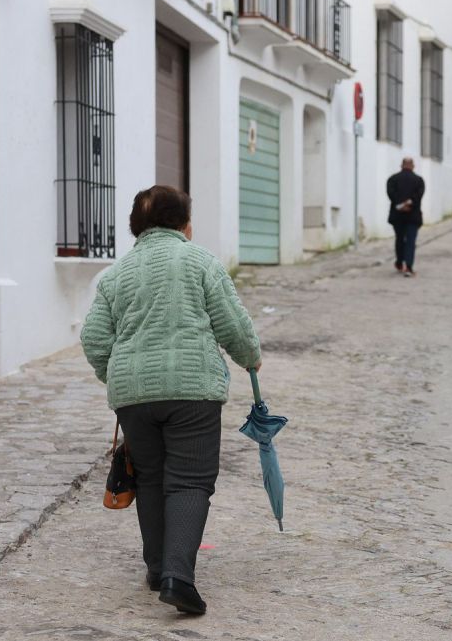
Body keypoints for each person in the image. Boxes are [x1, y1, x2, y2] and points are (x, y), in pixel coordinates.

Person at [80, 185, 262, 615]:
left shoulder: (115, 275)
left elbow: (92, 338)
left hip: (133, 397)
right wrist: (250, 357)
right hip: (191, 391)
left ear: (134, 228)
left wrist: (119, 372)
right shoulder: (200, 262)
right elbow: (232, 324)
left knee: (151, 479)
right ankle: (178, 577)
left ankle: (158, 566)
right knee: (190, 480)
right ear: (185, 224)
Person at [386, 157, 425, 277]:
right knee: (410, 241)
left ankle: (399, 262)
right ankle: (408, 267)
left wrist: (400, 205)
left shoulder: (393, 179)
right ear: (413, 166)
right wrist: (409, 203)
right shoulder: (419, 180)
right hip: (413, 216)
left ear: (401, 165)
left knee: (399, 239)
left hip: (397, 216)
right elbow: (418, 196)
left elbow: (391, 194)